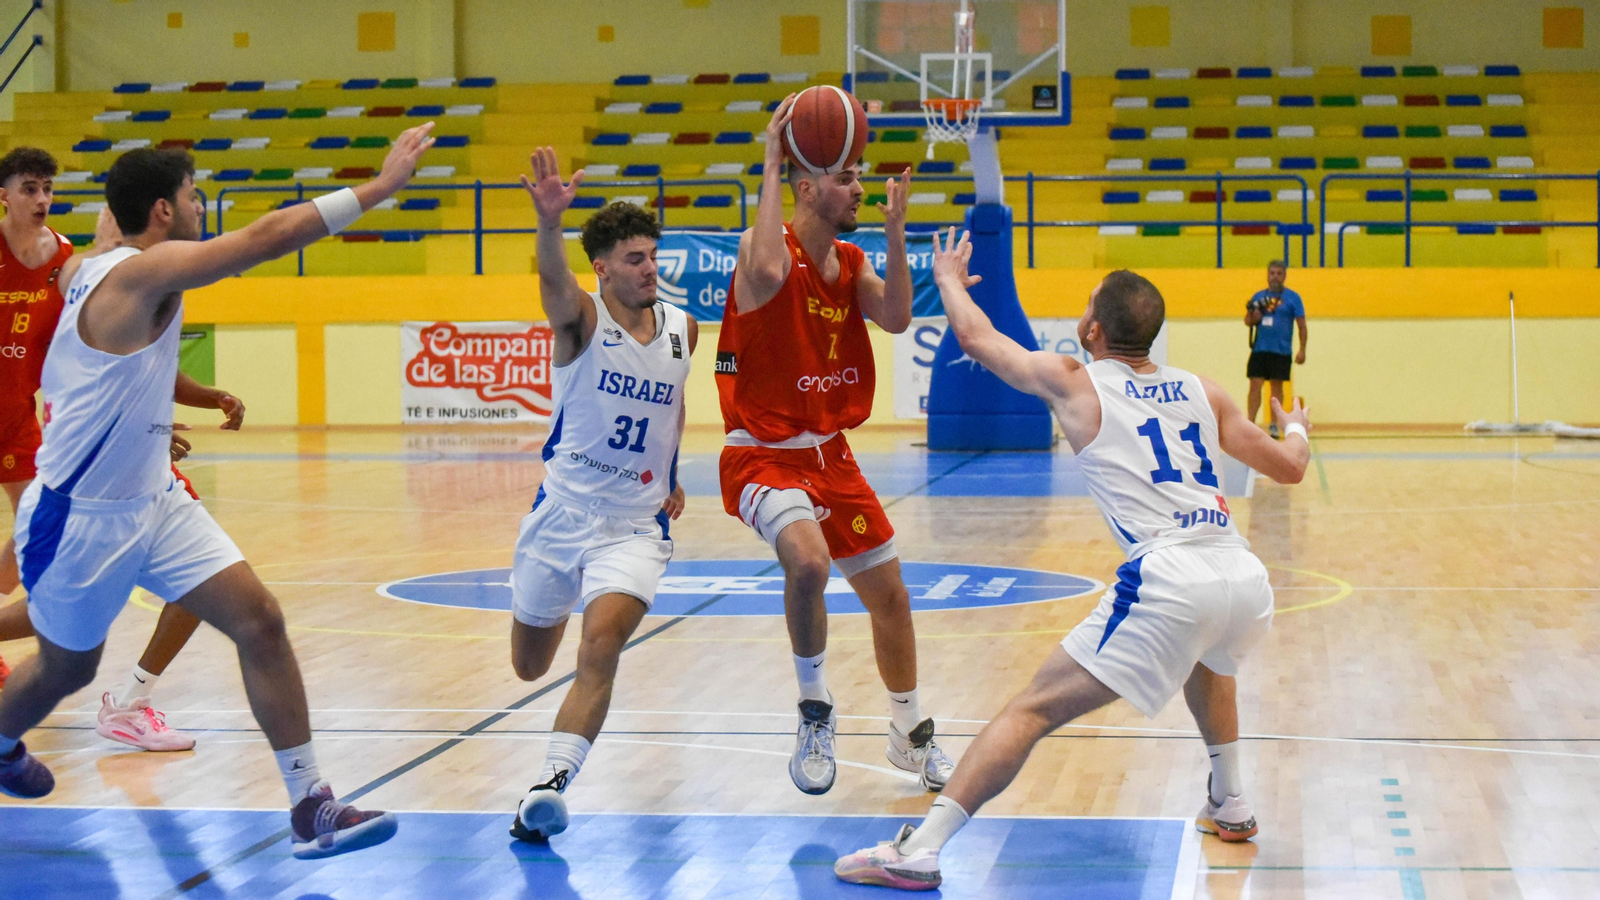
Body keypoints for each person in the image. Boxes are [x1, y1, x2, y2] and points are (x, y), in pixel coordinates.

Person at [0, 124, 437, 860]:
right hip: (82, 516)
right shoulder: (140, 272)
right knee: (69, 667)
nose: (202, 203)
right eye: (192, 194)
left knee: (260, 619)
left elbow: (112, 265)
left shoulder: (98, 263)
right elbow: (267, 236)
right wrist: (379, 188)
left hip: (152, 497)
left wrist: (141, 421)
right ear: (164, 213)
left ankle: (310, 805)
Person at [835, 230, 1310, 891]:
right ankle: (1230, 799)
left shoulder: (1074, 382)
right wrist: (1298, 427)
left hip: (1170, 577)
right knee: (1211, 651)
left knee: (1031, 709)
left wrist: (945, 278)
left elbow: (977, 341)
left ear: (1091, 327)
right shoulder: (1205, 390)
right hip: (1240, 575)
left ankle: (921, 849)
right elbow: (1289, 468)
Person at [716, 95, 953, 795]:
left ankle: (909, 734)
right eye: (849, 177)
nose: (860, 187)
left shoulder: (850, 262)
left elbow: (900, 317)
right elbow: (762, 274)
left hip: (830, 455)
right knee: (810, 564)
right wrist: (770, 157)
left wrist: (896, 231)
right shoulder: (766, 255)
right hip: (761, 451)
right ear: (808, 186)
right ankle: (814, 710)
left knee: (892, 597)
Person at [0, 177, 242, 754]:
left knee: (42, 583)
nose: (43, 199)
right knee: (46, 593)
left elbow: (110, 370)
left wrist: (184, 407)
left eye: (49, 189)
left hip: (56, 438)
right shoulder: (91, 269)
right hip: (82, 461)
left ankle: (132, 699)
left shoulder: (73, 265)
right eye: (30, 188)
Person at [504, 149, 694, 843]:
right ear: (604, 268)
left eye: (653, 255)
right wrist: (548, 224)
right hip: (560, 515)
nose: (649, 268)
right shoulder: (581, 322)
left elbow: (673, 404)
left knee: (602, 644)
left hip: (634, 525)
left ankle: (547, 789)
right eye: (635, 258)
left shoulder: (683, 329)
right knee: (529, 665)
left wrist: (671, 477)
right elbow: (553, 286)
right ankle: (539, 627)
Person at [1244, 260, 1307, 436]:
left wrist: (1302, 349)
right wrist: (1254, 317)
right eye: (1272, 273)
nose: (1275, 277)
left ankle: (1274, 423)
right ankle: (1250, 422)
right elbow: (1248, 321)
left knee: (1276, 389)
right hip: (1260, 349)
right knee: (1255, 385)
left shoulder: (1293, 298)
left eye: (1279, 273)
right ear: (1267, 275)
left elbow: (1302, 325)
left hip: (1281, 351)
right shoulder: (1258, 297)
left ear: (1285, 275)